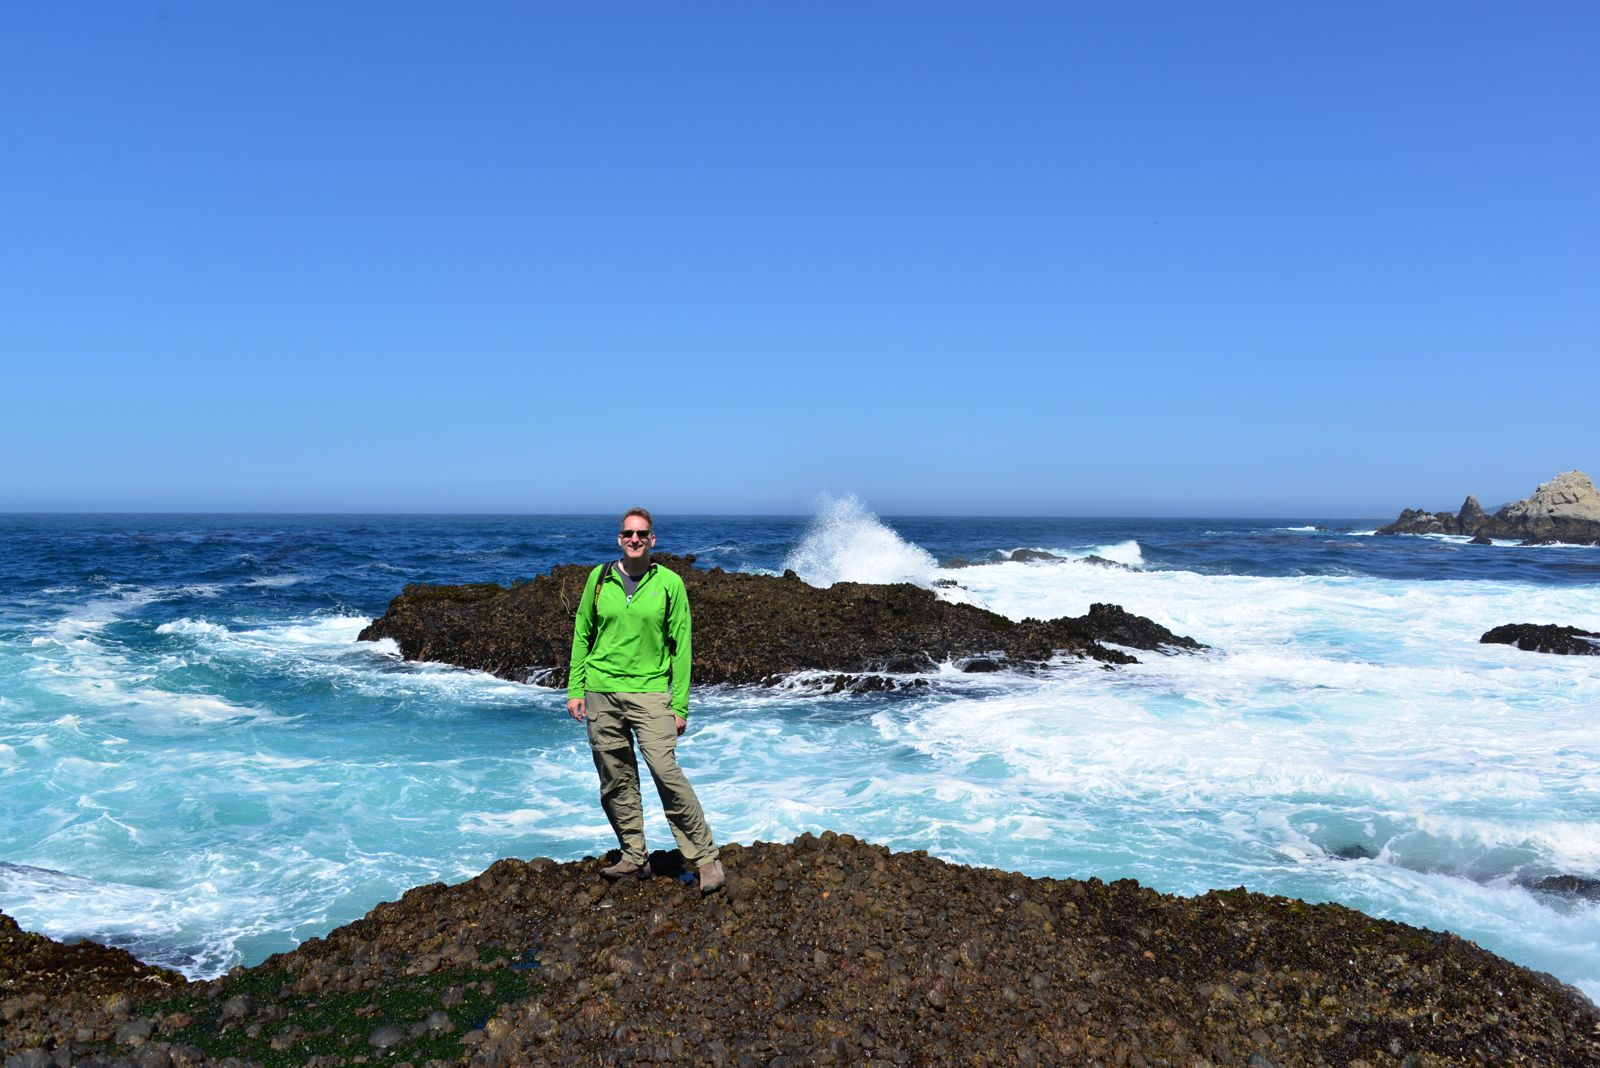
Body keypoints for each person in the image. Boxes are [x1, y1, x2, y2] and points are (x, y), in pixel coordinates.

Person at [566, 508, 724, 894]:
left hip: (652, 694)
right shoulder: (599, 579)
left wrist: (680, 705)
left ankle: (705, 858)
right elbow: (583, 633)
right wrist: (575, 689)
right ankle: (634, 856)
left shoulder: (669, 583)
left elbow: (681, 648)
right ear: (619, 539)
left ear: (653, 540)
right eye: (628, 534)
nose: (634, 539)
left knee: (665, 772)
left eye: (642, 534)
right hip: (601, 691)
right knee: (615, 778)